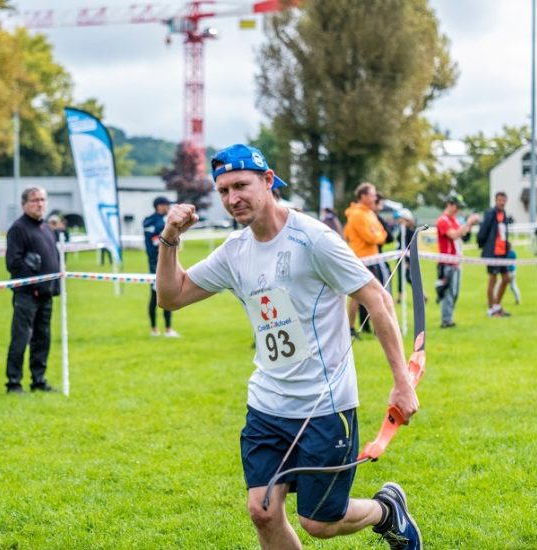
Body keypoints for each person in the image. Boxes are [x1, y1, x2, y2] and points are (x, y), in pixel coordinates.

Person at [156, 144, 421, 549]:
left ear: (268, 181)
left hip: (325, 407)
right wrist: (170, 239)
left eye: (241, 186)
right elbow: (171, 297)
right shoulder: (235, 251)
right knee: (262, 511)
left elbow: (377, 298)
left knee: (319, 521)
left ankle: (387, 511)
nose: (233, 199)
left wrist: (402, 382)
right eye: (224, 191)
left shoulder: (313, 239)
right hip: (267, 404)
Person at [5, 187, 60, 393]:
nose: (39, 204)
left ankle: (38, 380)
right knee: (21, 338)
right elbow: (13, 263)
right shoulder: (18, 228)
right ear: (24, 204)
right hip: (27, 295)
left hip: (46, 295)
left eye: (42, 199)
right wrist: (33, 279)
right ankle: (13, 382)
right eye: (35, 200)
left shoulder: (46, 227)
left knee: (42, 339)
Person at [344, 183, 388, 338]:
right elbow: (370, 237)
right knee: (357, 297)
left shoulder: (370, 213)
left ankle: (375, 328)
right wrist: (377, 235)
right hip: (361, 259)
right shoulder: (357, 215)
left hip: (373, 258)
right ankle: (350, 327)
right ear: (362, 196)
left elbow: (382, 233)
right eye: (372, 194)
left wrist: (377, 235)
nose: (375, 197)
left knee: (376, 295)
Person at [435, 193, 480, 328]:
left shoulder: (455, 220)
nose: (458, 210)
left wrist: (469, 226)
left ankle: (448, 317)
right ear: (450, 204)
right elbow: (453, 235)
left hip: (457, 261)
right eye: (457, 207)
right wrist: (469, 222)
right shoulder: (442, 220)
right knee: (449, 292)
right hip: (447, 262)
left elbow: (463, 236)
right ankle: (446, 320)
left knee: (454, 293)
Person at [143, 196, 179, 337]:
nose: (168, 208)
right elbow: (153, 244)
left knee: (166, 295)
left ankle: (168, 329)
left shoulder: (163, 221)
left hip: (166, 263)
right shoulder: (150, 222)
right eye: (166, 205)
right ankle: (155, 329)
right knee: (155, 296)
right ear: (159, 206)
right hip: (155, 264)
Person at [477, 191, 512, 317]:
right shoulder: (490, 214)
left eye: (504, 200)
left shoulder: (504, 215)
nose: (502, 202)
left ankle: (496, 305)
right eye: (499, 200)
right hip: (492, 253)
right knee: (493, 279)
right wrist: (483, 246)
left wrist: (507, 244)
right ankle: (491, 309)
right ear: (495, 201)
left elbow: (503, 233)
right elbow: (482, 232)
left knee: (507, 278)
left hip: (503, 253)